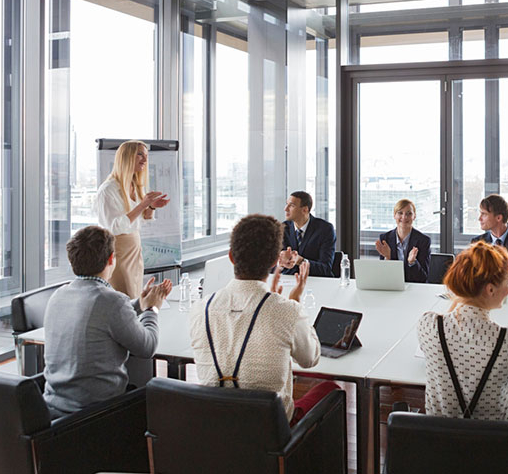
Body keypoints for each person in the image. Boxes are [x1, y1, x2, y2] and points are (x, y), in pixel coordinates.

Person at [189, 214, 339, 424]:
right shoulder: (286, 310)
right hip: (268, 429)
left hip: (212, 424)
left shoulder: (200, 308)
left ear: (231, 257)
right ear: (272, 261)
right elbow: (310, 359)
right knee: (330, 389)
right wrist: (294, 302)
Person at [43, 225, 172, 418]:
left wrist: (140, 303)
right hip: (97, 413)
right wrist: (152, 308)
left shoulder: (58, 295)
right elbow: (148, 347)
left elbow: (104, 315)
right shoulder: (111, 301)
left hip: (54, 409)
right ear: (112, 259)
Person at [417, 241, 508, 420]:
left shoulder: (429, 325)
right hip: (494, 444)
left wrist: (463, 293)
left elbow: (451, 322)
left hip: (437, 441)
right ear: (490, 289)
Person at [96, 140, 170, 298]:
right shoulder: (108, 190)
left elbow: (142, 219)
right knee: (125, 297)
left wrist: (151, 206)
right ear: (127, 157)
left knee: (136, 295)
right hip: (118, 252)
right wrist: (143, 204)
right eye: (140, 155)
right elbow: (115, 227)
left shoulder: (136, 185)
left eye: (146, 156)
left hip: (135, 250)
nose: (145, 159)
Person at [277, 191, 336, 278]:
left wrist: (301, 261)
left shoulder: (325, 229)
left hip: (317, 282)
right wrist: (281, 263)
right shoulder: (283, 228)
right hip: (288, 282)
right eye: (287, 204)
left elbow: (325, 269)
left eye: (292, 205)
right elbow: (272, 266)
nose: (286, 209)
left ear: (305, 210)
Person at [374, 199, 432, 283]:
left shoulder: (424, 241)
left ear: (414, 216)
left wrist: (412, 262)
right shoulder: (385, 238)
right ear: (394, 215)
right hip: (392, 287)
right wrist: (387, 258)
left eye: (409, 213)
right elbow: (384, 277)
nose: (404, 217)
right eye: (400, 213)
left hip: (414, 289)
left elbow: (423, 278)